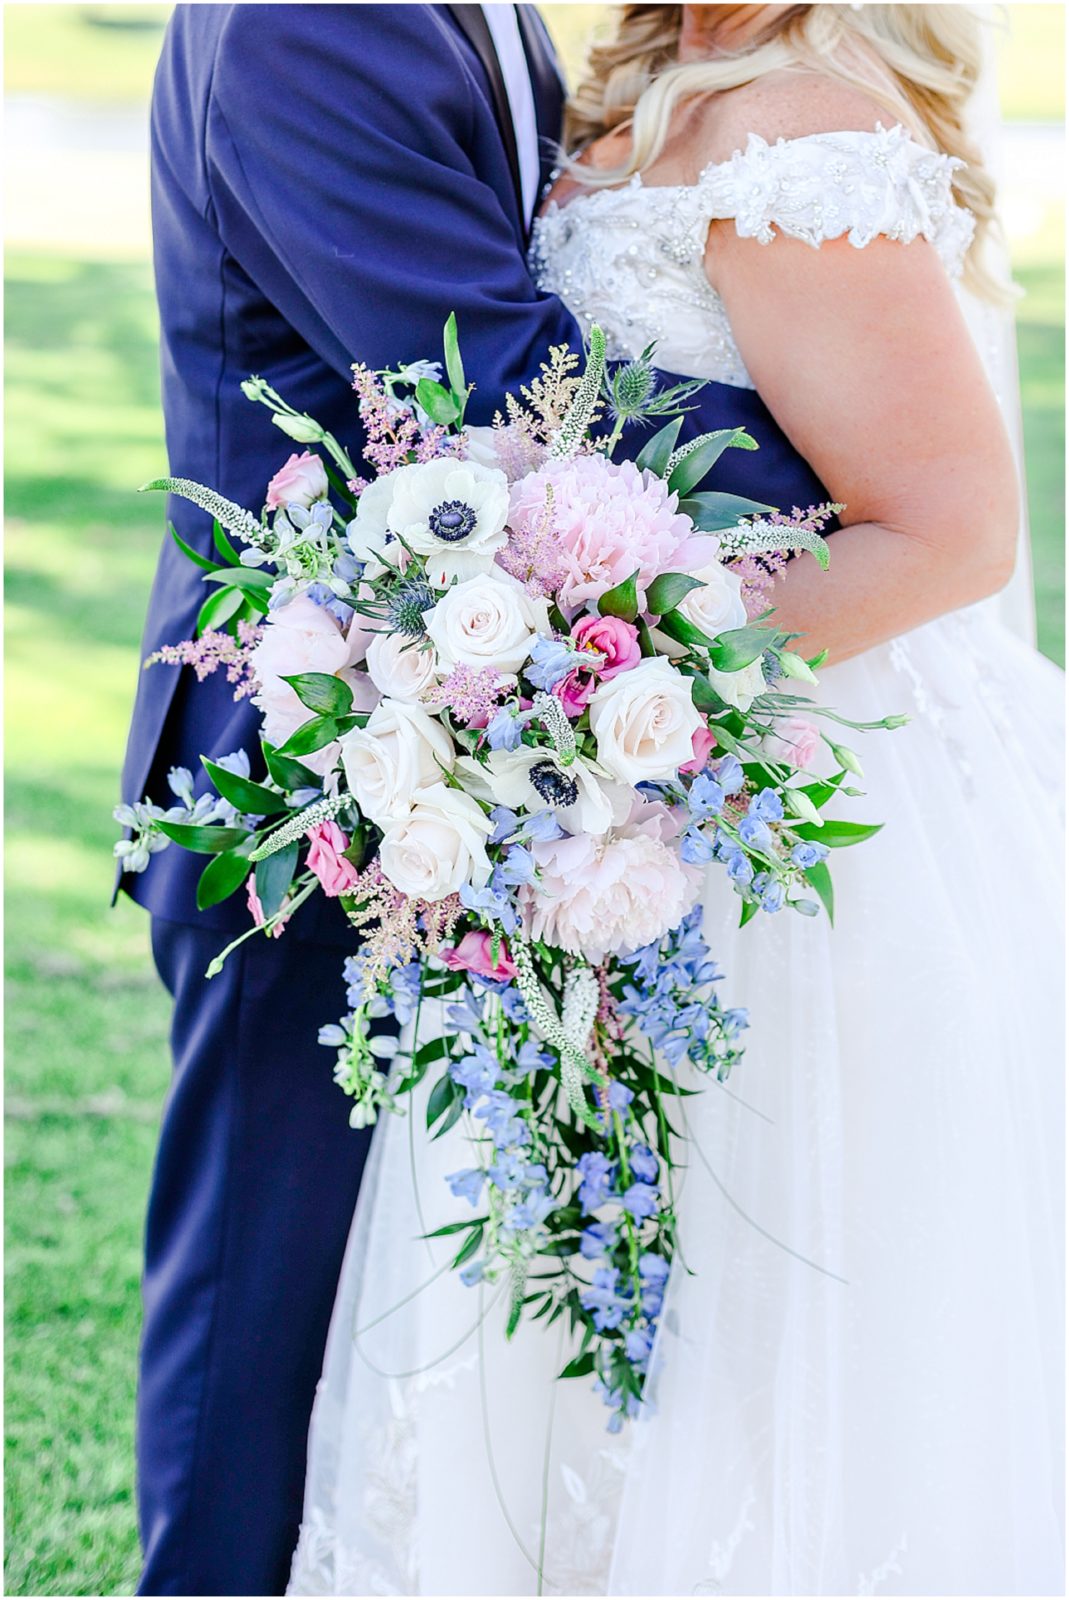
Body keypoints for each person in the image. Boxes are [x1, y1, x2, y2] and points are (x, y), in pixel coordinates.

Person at [288, 5, 1064, 1594]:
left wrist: (607, 696)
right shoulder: (628, 86)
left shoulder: (801, 115)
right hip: (611, 817)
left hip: (792, 815)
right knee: (566, 1277)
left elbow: (947, 531)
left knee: (766, 1299)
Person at [121, 5, 812, 1592]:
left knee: (391, 1317)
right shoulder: (311, 20)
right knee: (263, 1321)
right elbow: (485, 374)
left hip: (473, 718)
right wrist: (854, 435)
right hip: (311, 758)